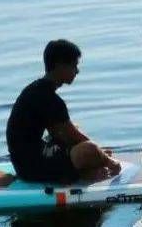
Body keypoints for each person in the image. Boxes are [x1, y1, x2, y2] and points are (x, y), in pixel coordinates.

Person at [6, 39, 121, 183]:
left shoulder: (37, 88)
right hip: (32, 168)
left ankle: (88, 170)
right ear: (60, 66)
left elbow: (63, 135)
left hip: (26, 160)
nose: (77, 71)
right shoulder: (49, 99)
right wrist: (108, 160)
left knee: (78, 136)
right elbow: (74, 137)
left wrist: (100, 155)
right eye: (74, 66)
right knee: (88, 149)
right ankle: (89, 173)